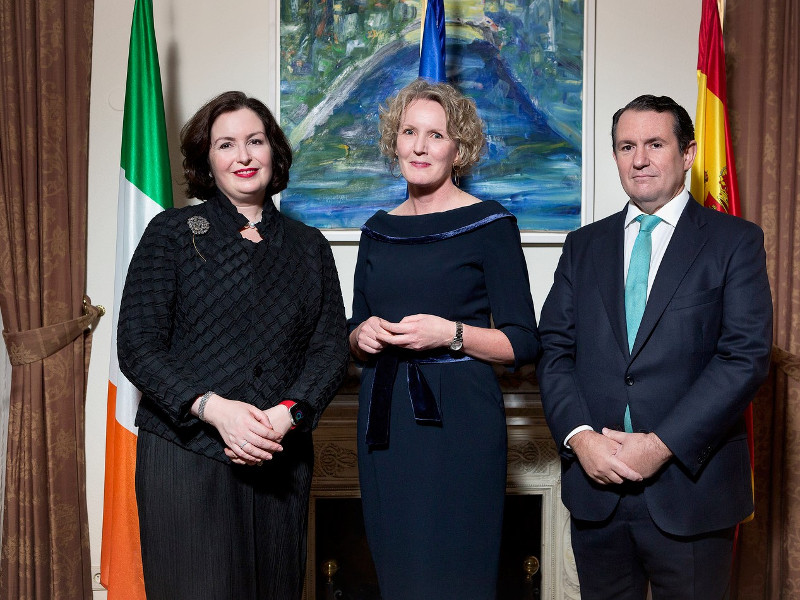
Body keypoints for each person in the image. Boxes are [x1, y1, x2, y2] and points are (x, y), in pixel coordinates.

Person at [537, 94, 773, 599]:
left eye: (654, 144)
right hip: (597, 489)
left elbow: (745, 357)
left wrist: (661, 445)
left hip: (691, 489)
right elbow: (554, 350)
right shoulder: (582, 246)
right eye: (626, 146)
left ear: (688, 154)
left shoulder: (736, 242)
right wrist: (580, 438)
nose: (639, 158)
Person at [117, 91, 349, 600]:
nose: (243, 156)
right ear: (208, 159)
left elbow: (330, 348)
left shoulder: (310, 245)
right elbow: (137, 346)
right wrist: (215, 410)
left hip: (279, 455)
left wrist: (287, 413)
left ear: (274, 152)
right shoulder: (173, 233)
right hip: (187, 455)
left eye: (255, 141)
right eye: (226, 144)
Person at [348, 78, 540, 600]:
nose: (419, 145)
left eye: (436, 135)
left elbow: (523, 341)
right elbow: (355, 325)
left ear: (460, 148)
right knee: (399, 575)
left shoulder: (490, 223)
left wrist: (450, 333)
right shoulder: (376, 229)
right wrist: (360, 334)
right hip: (385, 422)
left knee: (459, 575)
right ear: (394, 141)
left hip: (461, 422)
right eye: (409, 132)